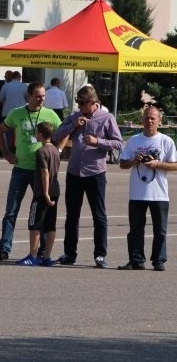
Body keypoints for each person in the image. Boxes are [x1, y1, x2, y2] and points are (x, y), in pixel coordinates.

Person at [52, 85, 122, 268]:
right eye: (78, 103)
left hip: (95, 173)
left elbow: (118, 143)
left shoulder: (107, 118)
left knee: (99, 216)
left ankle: (100, 255)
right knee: (72, 216)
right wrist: (73, 125)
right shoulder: (75, 117)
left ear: (93, 102)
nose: (80, 106)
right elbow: (56, 135)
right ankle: (69, 253)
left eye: (83, 103)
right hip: (74, 172)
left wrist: (98, 142)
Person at [0, 81, 61, 261]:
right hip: (21, 169)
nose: (41, 99)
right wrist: (6, 152)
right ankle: (4, 248)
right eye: (37, 96)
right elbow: (0, 131)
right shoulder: (16, 113)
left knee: (43, 211)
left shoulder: (50, 114)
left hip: (41, 172)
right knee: (11, 211)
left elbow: (64, 131)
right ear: (28, 96)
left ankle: (44, 252)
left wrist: (57, 149)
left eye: (43, 96)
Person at [117, 105, 177, 271]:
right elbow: (122, 164)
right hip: (137, 193)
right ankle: (136, 260)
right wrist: (134, 161)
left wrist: (157, 164)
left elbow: (175, 165)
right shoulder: (134, 141)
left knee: (160, 230)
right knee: (135, 229)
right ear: (141, 120)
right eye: (146, 118)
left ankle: (159, 260)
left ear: (159, 120)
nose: (149, 121)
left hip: (159, 194)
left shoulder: (166, 141)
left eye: (153, 118)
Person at [16, 122, 60, 267]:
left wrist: (45, 193)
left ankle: (33, 256)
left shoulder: (41, 151)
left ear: (40, 134)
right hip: (55, 190)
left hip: (42, 193)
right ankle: (47, 257)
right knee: (50, 225)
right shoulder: (55, 149)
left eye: (36, 132)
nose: (35, 134)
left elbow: (45, 172)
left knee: (34, 224)